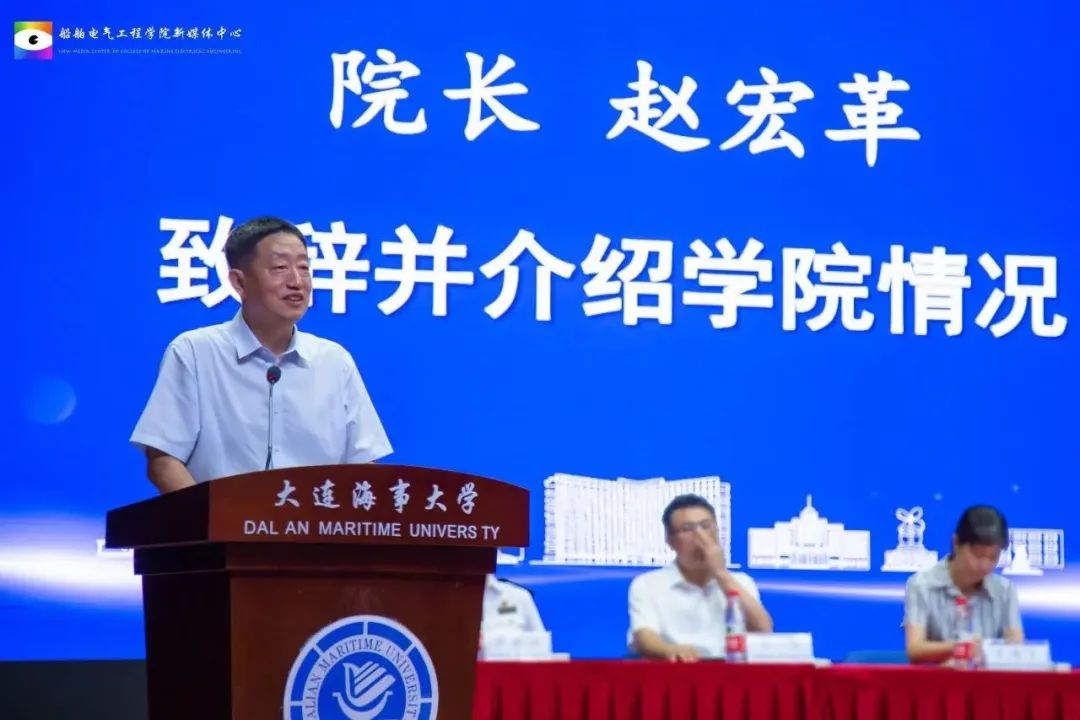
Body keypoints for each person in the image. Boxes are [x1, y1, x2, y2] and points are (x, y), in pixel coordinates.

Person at [131, 216, 392, 492]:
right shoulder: (195, 352)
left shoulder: (334, 361)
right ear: (239, 282)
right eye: (280, 268)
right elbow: (164, 460)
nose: (297, 281)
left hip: (315, 520)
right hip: (223, 520)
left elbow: (363, 465)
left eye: (304, 268)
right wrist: (211, 516)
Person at [629, 494, 773, 661]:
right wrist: (668, 650)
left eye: (706, 526)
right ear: (670, 540)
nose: (700, 537)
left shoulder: (741, 582)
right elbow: (643, 636)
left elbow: (764, 630)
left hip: (732, 670)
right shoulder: (647, 584)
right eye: (687, 529)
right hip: (679, 669)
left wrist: (721, 573)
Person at [904, 505, 1023, 664]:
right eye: (978, 555)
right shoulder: (921, 585)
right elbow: (915, 649)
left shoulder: (1005, 590)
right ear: (956, 543)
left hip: (989, 678)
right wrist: (961, 648)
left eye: (993, 557)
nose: (984, 565)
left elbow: (1016, 648)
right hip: (938, 677)